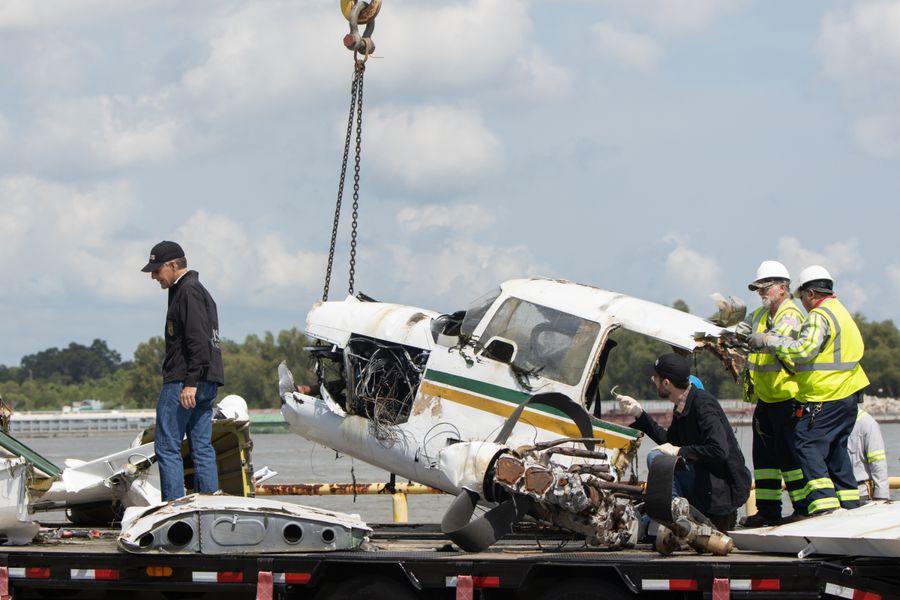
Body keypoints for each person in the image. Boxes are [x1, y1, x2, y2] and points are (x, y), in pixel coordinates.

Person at [750, 265, 869, 516]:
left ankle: (825, 506)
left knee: (806, 445)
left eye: (802, 296)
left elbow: (804, 350)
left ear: (811, 294)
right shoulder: (841, 312)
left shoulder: (819, 315)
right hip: (846, 394)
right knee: (836, 450)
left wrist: (772, 341)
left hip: (825, 395)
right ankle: (849, 502)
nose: (801, 301)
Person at [618, 353, 751, 532]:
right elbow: (669, 442)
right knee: (661, 455)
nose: (652, 380)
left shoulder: (703, 405)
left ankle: (675, 521)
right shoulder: (683, 404)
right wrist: (639, 414)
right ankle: (674, 517)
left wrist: (679, 452)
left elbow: (719, 450)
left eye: (655, 378)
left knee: (656, 458)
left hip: (722, 490)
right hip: (707, 481)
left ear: (666, 383)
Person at [142, 241, 224, 501]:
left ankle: (173, 507)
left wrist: (190, 383)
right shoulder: (199, 291)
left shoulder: (186, 292)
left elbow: (197, 340)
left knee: (167, 445)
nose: (154, 276)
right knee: (200, 444)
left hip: (184, 381)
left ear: (173, 265)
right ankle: (209, 500)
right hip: (208, 380)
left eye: (157, 270)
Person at [737, 261, 806, 527]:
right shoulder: (758, 316)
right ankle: (768, 511)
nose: (761, 293)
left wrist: (761, 339)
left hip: (788, 397)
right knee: (763, 459)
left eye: (765, 288)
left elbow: (776, 339)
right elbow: (742, 331)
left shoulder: (790, 314)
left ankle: (802, 507)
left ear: (782, 288)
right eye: (758, 290)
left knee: (790, 456)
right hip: (766, 399)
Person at [849, 407, 889, 503]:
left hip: (862, 494)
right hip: (837, 494)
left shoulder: (867, 423)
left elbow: (878, 462)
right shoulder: (830, 421)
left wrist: (881, 497)